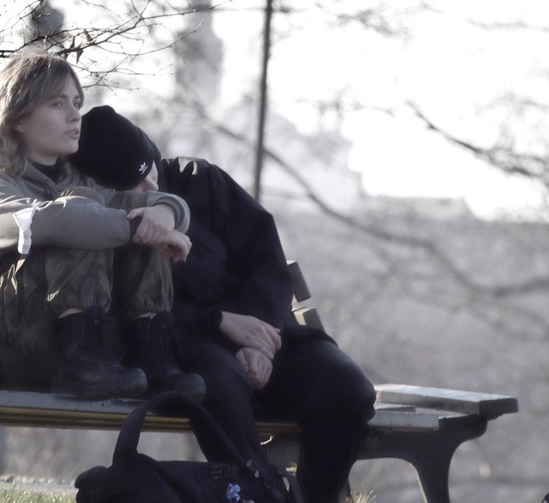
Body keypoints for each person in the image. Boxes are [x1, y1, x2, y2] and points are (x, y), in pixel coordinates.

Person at [72, 105, 376, 503]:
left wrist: (259, 339)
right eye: (137, 187)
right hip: (189, 346)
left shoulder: (202, 181)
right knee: (215, 383)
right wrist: (215, 321)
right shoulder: (106, 219)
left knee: (347, 388)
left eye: (152, 173)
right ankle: (257, 495)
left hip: (271, 333)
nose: (152, 188)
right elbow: (128, 310)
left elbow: (264, 257)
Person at [0, 53, 205, 400]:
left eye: (77, 103)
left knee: (116, 218)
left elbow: (143, 207)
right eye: (57, 104)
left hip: (71, 347)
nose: (74, 116)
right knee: (80, 216)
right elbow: (58, 220)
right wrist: (135, 228)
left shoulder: (78, 180)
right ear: (17, 117)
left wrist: (166, 213)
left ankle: (153, 357)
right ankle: (82, 358)